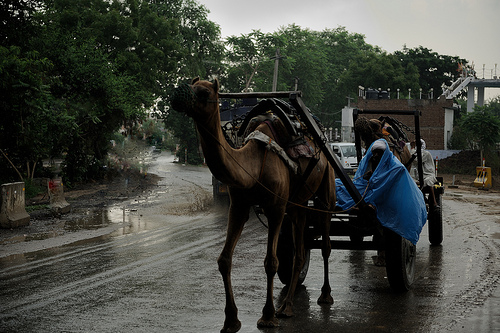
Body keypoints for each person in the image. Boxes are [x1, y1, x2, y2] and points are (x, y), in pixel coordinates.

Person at [410, 140, 439, 213]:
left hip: (428, 174)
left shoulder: (426, 154)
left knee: (428, 182)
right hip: (418, 176)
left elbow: (417, 160)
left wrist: (412, 148)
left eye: (418, 145)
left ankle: (434, 203)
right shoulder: (415, 153)